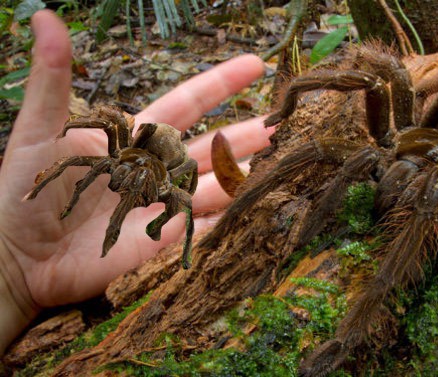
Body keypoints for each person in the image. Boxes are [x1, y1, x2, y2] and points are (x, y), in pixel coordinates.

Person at [0, 10, 273, 355]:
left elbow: (185, 175)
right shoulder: (117, 152)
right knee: (80, 162)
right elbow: (107, 127)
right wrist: (9, 257)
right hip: (140, 154)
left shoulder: (170, 174)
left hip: (163, 162)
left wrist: (12, 273)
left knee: (177, 200)